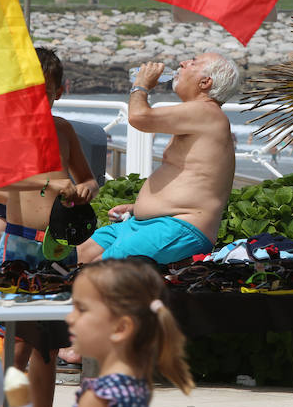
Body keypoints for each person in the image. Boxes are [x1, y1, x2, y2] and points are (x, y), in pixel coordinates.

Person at [0, 46, 99, 407]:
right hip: (20, 241)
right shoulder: (8, 130)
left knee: (48, 350)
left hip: (59, 244)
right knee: (18, 348)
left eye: (46, 89)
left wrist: (86, 188)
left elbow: (87, 178)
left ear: (58, 90)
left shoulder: (64, 130)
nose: (38, 97)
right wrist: (48, 183)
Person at [76, 52, 240, 265]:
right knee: (75, 259)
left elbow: (139, 117)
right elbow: (194, 179)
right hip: (146, 223)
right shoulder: (197, 115)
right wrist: (138, 208)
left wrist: (141, 85)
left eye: (193, 62)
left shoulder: (207, 112)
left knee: (96, 272)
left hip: (178, 227)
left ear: (205, 82)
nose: (182, 62)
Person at [12, 258, 194, 407]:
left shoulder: (100, 398)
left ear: (121, 328)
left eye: (81, 310)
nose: (70, 318)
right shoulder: (130, 384)